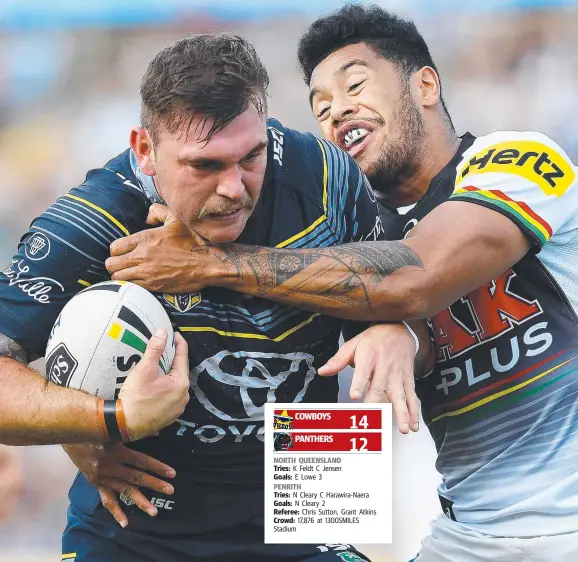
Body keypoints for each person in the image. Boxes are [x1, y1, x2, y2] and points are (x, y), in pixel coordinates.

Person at [107, 6, 578, 561]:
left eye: (356, 84)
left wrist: (214, 263)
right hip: (466, 535)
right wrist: (94, 433)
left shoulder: (515, 160)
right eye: (321, 107)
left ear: (425, 84)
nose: (338, 112)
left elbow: (412, 278)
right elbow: (316, 395)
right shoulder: (341, 239)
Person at [0, 32, 396, 562]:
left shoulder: (326, 177)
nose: (234, 187)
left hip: (310, 513)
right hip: (138, 534)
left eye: (251, 156)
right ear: (145, 151)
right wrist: (105, 419)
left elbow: (405, 278)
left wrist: (394, 325)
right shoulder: (93, 220)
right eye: (205, 166)